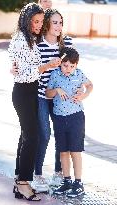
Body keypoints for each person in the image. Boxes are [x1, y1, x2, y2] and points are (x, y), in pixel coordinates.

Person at [11, 8, 73, 192]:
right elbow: (23, 63)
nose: (58, 26)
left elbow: (74, 66)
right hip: (39, 96)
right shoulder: (36, 41)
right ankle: (35, 174)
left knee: (62, 132)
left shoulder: (66, 43)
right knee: (42, 134)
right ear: (47, 23)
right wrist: (13, 69)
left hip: (58, 96)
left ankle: (59, 172)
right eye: (54, 22)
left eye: (61, 22)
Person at [46, 47, 93, 197]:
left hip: (75, 117)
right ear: (60, 63)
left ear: (76, 66)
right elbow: (47, 93)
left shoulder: (79, 74)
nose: (69, 69)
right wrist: (57, 90)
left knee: (75, 151)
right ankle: (67, 181)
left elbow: (90, 85)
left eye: (72, 66)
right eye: (65, 65)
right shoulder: (55, 75)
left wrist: (83, 95)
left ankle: (78, 183)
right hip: (59, 118)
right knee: (63, 152)